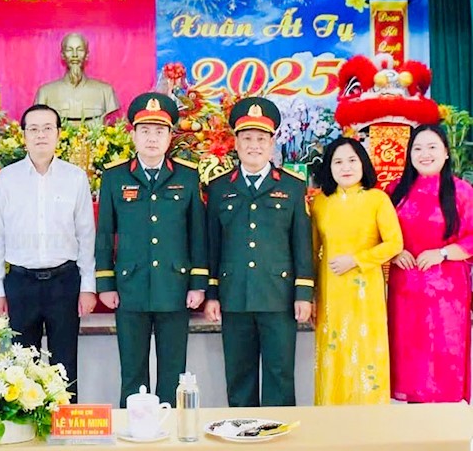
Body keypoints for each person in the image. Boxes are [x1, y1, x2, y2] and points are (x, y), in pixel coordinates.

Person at [94, 93, 208, 406]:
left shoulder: (186, 176)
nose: (152, 138)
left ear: (171, 136)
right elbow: (105, 233)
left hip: (175, 287)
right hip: (130, 288)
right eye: (145, 130)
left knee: (173, 372)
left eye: (160, 131)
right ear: (133, 135)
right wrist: (105, 283)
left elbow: (197, 234)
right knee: (133, 373)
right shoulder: (115, 177)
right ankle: (134, 429)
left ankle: (170, 429)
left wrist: (198, 284)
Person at [204, 97, 314, 407]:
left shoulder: (292, 187)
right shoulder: (219, 187)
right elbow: (212, 245)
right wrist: (212, 293)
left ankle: (280, 432)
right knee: (240, 377)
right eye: (247, 138)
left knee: (280, 375)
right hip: (234, 296)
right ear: (236, 143)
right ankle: (243, 429)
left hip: (278, 296)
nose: (254, 146)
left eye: (261, 139)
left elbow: (301, 243)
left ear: (272, 144)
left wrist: (303, 293)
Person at [0, 104, 97, 399]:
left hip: (64, 282)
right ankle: (26, 425)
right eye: (33, 129)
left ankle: (66, 423)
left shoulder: (75, 177)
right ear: (23, 135)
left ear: (58, 134)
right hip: (21, 284)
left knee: (65, 365)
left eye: (47, 128)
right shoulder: (7, 178)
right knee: (21, 369)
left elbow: (86, 235)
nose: (40, 135)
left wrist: (88, 286)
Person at [311, 137, 402, 405]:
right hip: (330, 293)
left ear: (363, 164)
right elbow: (312, 253)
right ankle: (332, 421)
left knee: (366, 354)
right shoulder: (320, 203)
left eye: (352, 160)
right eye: (338, 162)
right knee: (333, 354)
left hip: (366, 294)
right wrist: (311, 295)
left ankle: (370, 424)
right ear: (329, 168)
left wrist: (357, 260)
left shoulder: (377, 199)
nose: (346, 167)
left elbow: (394, 243)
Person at [387, 124, 473, 403]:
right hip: (405, 292)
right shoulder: (394, 191)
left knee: (444, 359)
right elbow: (378, 234)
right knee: (410, 362)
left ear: (446, 152)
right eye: (418, 148)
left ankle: (445, 424)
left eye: (432, 147)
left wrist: (443, 253)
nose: (425, 154)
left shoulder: (462, 191)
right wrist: (394, 252)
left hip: (447, 295)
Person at [34, 33, 120, 123]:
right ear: (62, 55)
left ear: (87, 55)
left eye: (80, 50)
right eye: (69, 50)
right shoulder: (45, 93)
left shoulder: (105, 92)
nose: (75, 55)